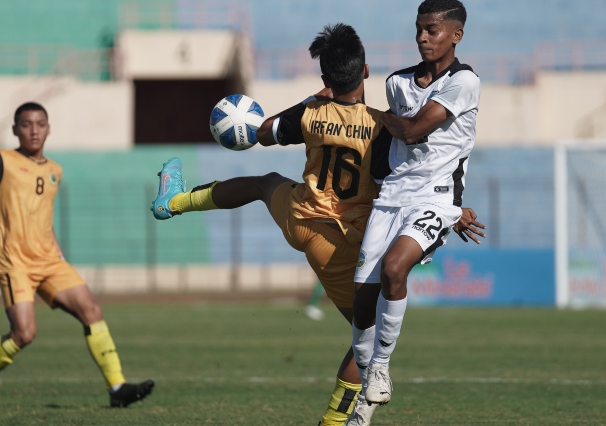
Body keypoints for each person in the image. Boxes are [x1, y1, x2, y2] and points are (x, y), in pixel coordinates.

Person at [151, 24, 484, 426]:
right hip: (342, 241)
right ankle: (334, 421)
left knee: (263, 184)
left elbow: (263, 132)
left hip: (299, 215)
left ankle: (175, 201)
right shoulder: (382, 127)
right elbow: (402, 180)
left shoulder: (312, 113)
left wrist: (314, 98)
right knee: (367, 337)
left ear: (325, 77)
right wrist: (452, 208)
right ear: (365, 71)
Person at [0, 102, 154, 410]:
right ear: (15, 130)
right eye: (27, 124)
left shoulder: (54, 170)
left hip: (50, 262)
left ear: (48, 129)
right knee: (24, 333)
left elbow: (44, 219)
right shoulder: (2, 161)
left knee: (92, 310)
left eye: (40, 124)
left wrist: (60, 256)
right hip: (16, 264)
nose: (34, 130)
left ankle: (117, 388)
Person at [347, 0, 483, 425]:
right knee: (362, 301)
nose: (423, 37)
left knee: (394, 269)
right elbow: (390, 147)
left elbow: (412, 130)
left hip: (436, 197)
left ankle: (381, 367)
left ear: (456, 35)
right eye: (419, 29)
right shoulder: (397, 83)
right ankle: (366, 396)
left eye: (433, 30)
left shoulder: (464, 82)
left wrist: (367, 112)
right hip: (392, 197)